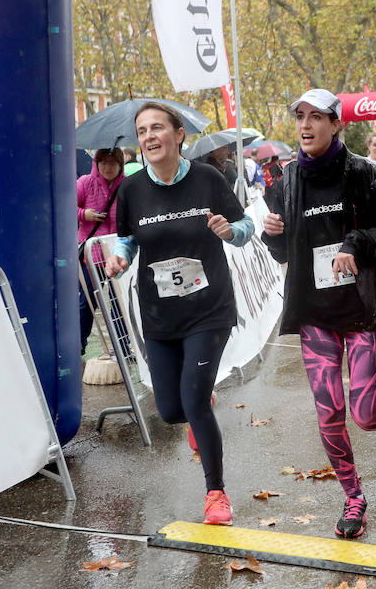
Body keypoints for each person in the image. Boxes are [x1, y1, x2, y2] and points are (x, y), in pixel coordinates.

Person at [261, 88, 376, 539]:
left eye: (317, 117)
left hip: (365, 309)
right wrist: (272, 233)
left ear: (337, 125)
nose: (306, 126)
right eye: (300, 117)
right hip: (316, 313)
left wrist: (356, 244)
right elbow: (279, 251)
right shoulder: (285, 183)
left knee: (365, 412)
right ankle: (353, 498)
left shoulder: (367, 177)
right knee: (329, 411)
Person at [104, 101, 254, 525]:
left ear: (178, 134)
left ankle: (216, 494)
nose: (149, 137)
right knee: (172, 410)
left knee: (192, 400)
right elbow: (127, 240)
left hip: (209, 309)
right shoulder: (131, 190)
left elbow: (246, 229)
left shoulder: (208, 179)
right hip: (159, 313)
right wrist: (119, 258)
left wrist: (230, 230)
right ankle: (198, 398)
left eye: (157, 128)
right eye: (142, 131)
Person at [77, 147, 125, 355]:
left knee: (120, 303)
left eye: (113, 163)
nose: (108, 167)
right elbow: (65, 205)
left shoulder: (127, 186)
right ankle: (78, 345)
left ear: (120, 165)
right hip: (92, 255)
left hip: (120, 254)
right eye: (103, 162)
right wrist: (83, 214)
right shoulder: (85, 183)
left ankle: (123, 347)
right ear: (96, 163)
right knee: (87, 303)